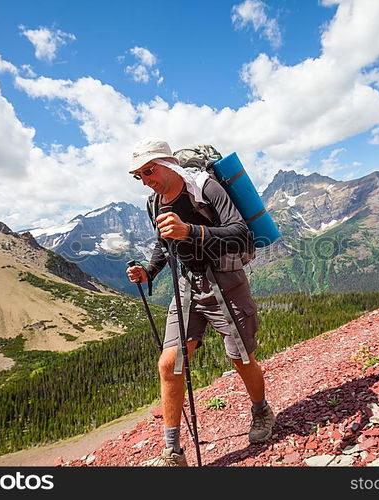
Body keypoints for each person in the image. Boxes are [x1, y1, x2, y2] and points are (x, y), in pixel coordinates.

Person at [126, 137, 274, 467]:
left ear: (167, 163)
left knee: (241, 358)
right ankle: (173, 452)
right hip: (187, 285)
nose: (146, 180)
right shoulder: (154, 202)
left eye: (149, 171)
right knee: (170, 363)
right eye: (139, 176)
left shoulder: (205, 188)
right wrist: (149, 271)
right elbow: (164, 243)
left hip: (226, 279)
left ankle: (262, 411)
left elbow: (243, 234)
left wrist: (190, 232)